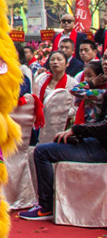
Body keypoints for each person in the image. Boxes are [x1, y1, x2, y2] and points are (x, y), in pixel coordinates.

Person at [19, 82, 107, 221]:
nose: (105, 63)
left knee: (42, 152)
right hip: (96, 142)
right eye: (104, 59)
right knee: (47, 148)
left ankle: (45, 206)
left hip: (101, 149)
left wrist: (77, 130)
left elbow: (104, 127)